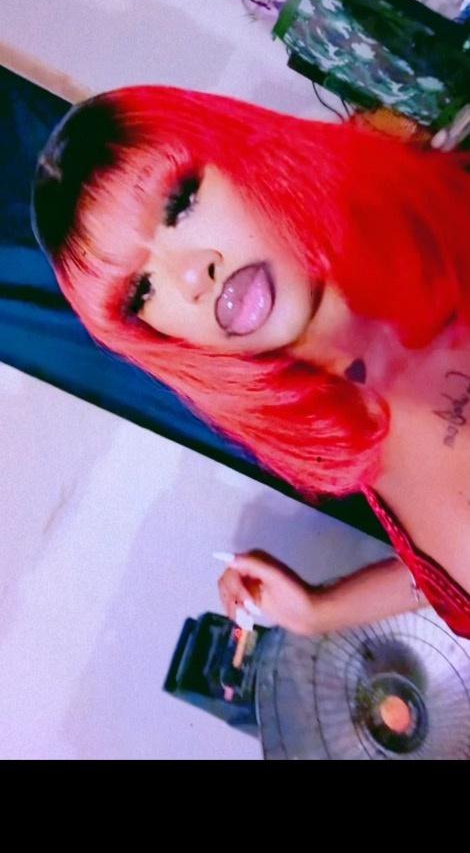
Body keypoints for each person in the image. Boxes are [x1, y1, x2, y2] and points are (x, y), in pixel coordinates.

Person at [31, 85, 470, 639]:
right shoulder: (342, 410)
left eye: (181, 203)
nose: (192, 276)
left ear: (245, 154)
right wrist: (321, 611)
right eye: (142, 290)